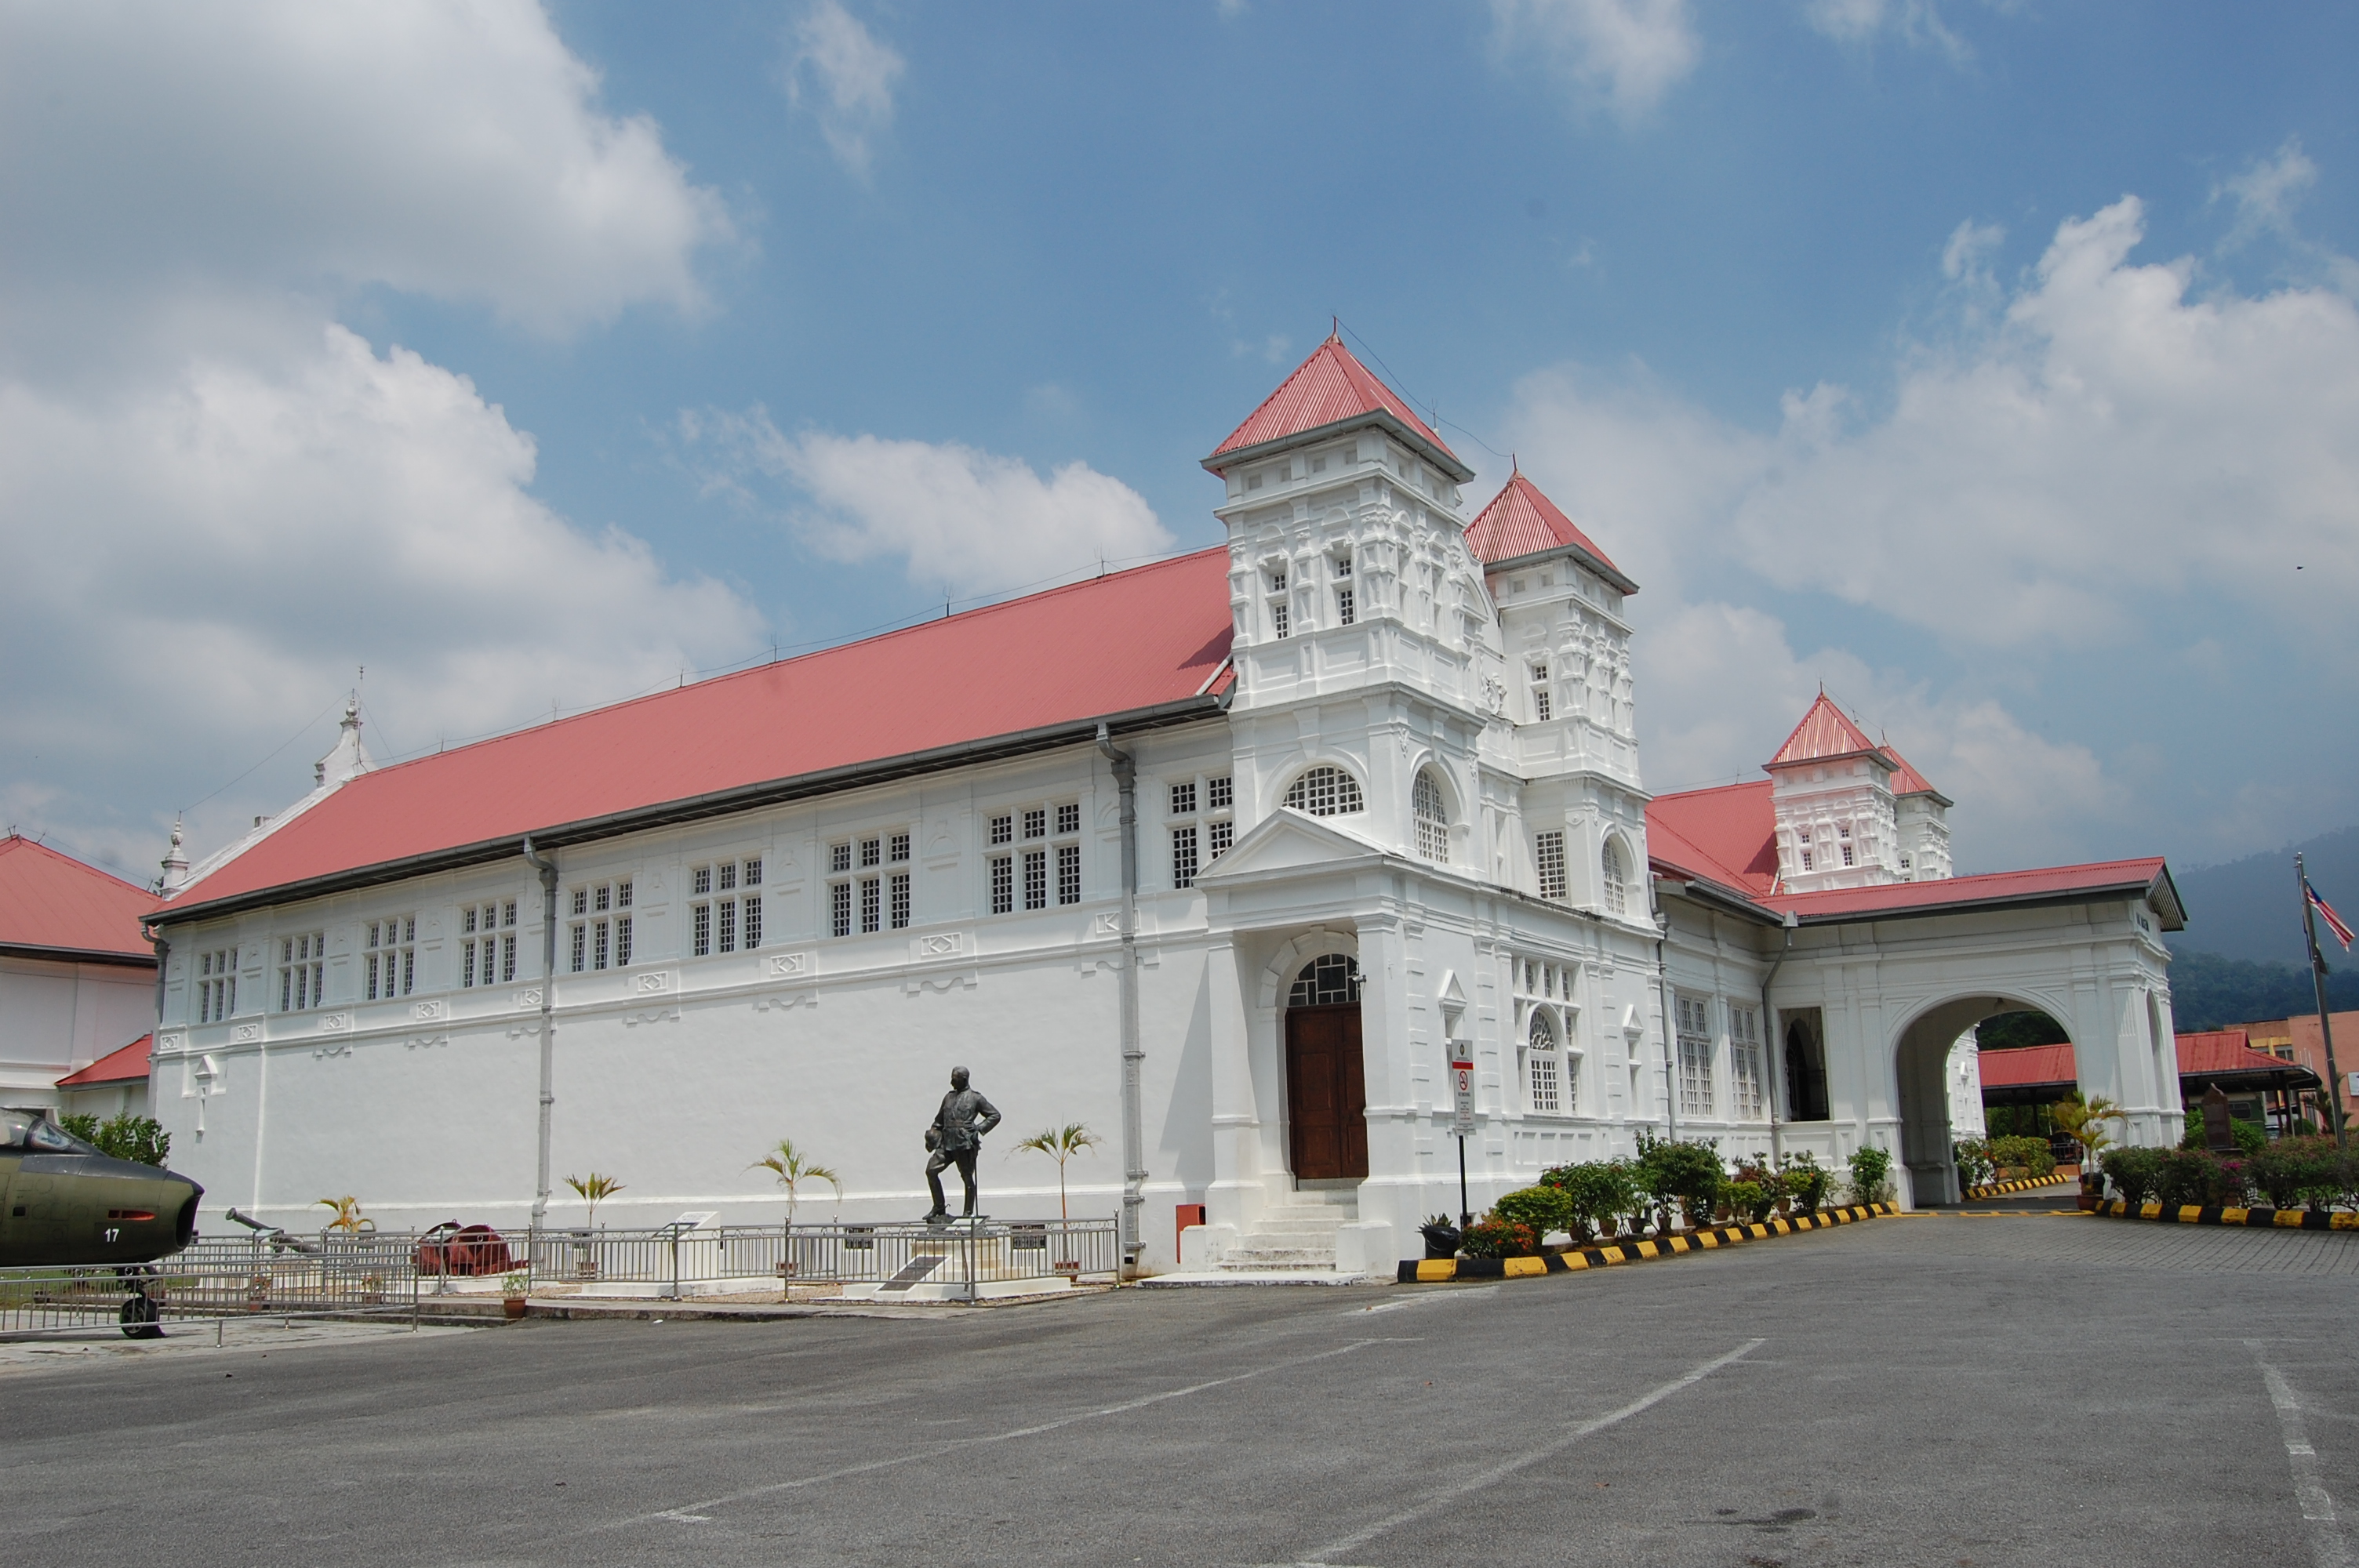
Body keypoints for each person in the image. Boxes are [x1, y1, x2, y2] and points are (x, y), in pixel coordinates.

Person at [922, 1065, 1001, 1222]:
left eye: (955, 1079)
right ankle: (939, 1207)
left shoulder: (975, 1098)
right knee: (931, 1171)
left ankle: (968, 1213)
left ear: (964, 1079)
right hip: (946, 1142)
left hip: (964, 1143)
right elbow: (939, 1120)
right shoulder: (948, 1097)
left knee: (967, 1177)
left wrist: (979, 1128)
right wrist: (931, 1137)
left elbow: (995, 1115)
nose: (951, 1082)